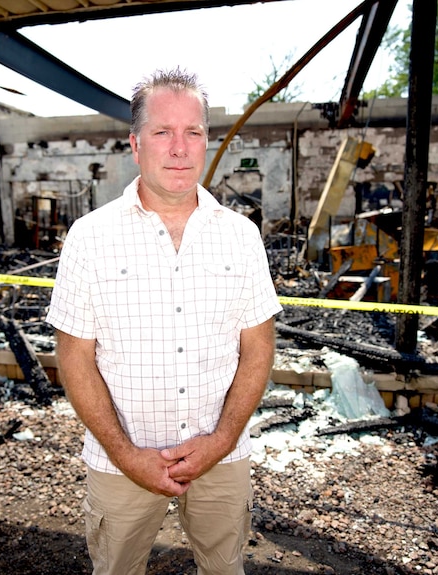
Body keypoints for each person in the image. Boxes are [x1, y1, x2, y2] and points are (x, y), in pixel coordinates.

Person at [46, 67, 282, 575]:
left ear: (205, 141)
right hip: (119, 465)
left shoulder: (241, 237)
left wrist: (219, 442)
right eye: (162, 132)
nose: (180, 147)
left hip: (222, 457)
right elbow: (74, 357)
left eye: (192, 132)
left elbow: (258, 349)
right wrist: (128, 454)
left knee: (225, 569)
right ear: (135, 144)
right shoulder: (90, 238)